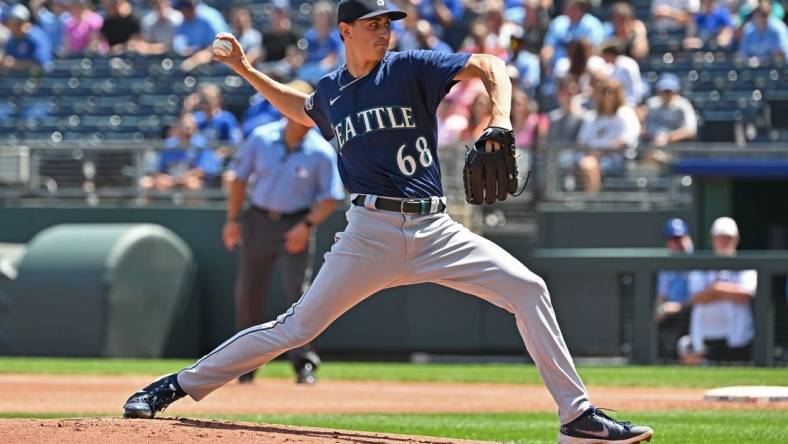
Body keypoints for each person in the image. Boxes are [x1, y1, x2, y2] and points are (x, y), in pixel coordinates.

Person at [123, 1, 653, 442]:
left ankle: (576, 417)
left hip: (436, 229)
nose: (384, 32)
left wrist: (500, 119)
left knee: (529, 288)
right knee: (297, 327)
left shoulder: (409, 67)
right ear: (346, 30)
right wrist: (244, 69)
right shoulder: (331, 91)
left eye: (388, 24)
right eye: (374, 24)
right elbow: (300, 106)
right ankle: (173, 386)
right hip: (369, 233)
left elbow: (491, 64)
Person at [224, 80, 345, 384]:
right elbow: (239, 179)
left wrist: (306, 226)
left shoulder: (320, 150)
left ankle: (304, 364)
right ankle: (245, 364)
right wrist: (233, 219)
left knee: (300, 295)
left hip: (296, 225)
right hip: (259, 220)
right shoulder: (261, 138)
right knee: (249, 292)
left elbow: (330, 197)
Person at [679, 217, 757, 365]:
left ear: (736, 239)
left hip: (737, 336)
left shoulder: (746, 264)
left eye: (728, 238)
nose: (723, 242)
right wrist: (725, 291)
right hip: (705, 335)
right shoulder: (701, 265)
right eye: (720, 238)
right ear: (712, 239)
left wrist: (715, 288)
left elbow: (745, 294)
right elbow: (696, 297)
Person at [575, 78, 641, 192]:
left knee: (588, 165)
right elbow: (582, 141)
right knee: (583, 163)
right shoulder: (592, 116)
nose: (608, 95)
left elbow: (628, 138)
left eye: (612, 92)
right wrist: (593, 153)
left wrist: (602, 152)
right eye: (604, 91)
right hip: (591, 155)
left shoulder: (625, 113)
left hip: (616, 158)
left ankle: (591, 202)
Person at [655, 218, 695, 360]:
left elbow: (699, 297)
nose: (676, 243)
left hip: (691, 311)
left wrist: (677, 306)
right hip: (671, 313)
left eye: (679, 238)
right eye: (672, 239)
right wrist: (658, 311)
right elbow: (662, 294)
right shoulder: (667, 264)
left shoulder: (696, 259)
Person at [641, 73, 697, 148]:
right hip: (653, 144)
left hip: (678, 147)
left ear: (676, 91)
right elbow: (645, 129)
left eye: (669, 91)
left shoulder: (684, 105)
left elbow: (690, 130)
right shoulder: (652, 104)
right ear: (659, 91)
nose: (667, 94)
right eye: (664, 91)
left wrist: (668, 137)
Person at [2, 4, 53, 71]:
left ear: (25, 23)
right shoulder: (12, 39)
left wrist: (16, 64)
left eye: (16, 24)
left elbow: (41, 63)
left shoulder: (38, 36)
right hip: (16, 78)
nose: (12, 28)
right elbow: (7, 58)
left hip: (40, 79)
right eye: (10, 24)